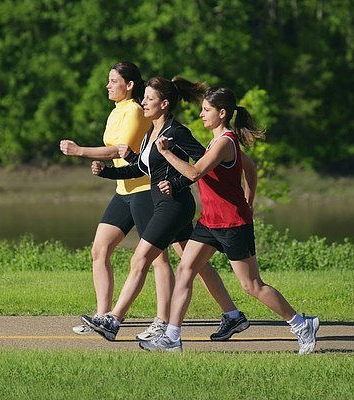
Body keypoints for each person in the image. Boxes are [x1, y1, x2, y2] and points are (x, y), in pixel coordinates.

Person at [140, 86, 320, 354]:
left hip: (233, 224)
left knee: (252, 286)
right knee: (185, 270)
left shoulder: (224, 142)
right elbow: (250, 167)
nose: (201, 114)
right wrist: (250, 195)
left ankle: (301, 324)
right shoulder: (215, 142)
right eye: (202, 109)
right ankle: (172, 338)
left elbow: (195, 172)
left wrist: (167, 153)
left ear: (222, 113)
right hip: (209, 222)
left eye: (207, 110)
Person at [83, 76, 253, 341]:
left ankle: (113, 320)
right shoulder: (153, 131)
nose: (143, 102)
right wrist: (106, 173)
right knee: (193, 264)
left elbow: (202, 165)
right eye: (144, 98)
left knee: (140, 259)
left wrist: (176, 183)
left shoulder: (176, 132)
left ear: (164, 104)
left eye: (149, 99)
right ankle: (232, 315)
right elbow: (141, 168)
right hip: (165, 203)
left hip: (174, 206)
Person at [60, 61, 177, 340]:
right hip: (123, 191)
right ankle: (102, 315)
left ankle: (163, 320)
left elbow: (117, 149)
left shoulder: (136, 111)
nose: (108, 85)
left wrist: (80, 151)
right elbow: (117, 152)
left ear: (130, 85)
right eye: (109, 81)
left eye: (114, 81)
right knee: (99, 250)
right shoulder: (116, 112)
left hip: (143, 191)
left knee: (157, 258)